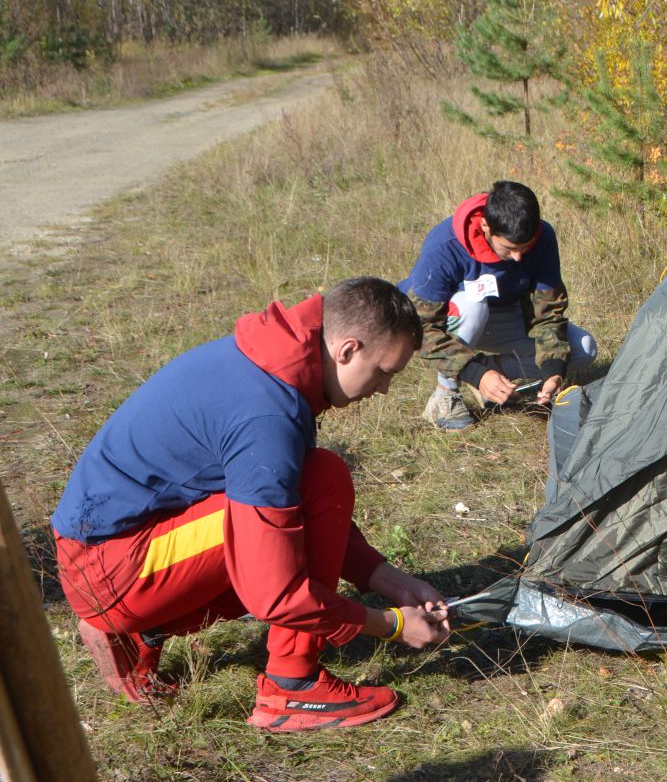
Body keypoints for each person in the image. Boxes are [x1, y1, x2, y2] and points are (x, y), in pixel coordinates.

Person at [52, 277, 452, 731]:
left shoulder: (276, 360)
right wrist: (390, 624)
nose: (383, 389)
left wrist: (390, 580)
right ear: (347, 350)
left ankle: (148, 626)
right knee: (310, 497)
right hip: (107, 569)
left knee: (312, 483)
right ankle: (292, 688)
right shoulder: (268, 413)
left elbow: (301, 510)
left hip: (119, 547)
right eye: (384, 371)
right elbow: (275, 592)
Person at [400, 180, 596, 431]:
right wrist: (474, 374)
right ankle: (445, 396)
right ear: (485, 227)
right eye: (510, 248)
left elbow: (548, 312)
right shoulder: (444, 244)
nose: (518, 257)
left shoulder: (543, 237)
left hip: (506, 316)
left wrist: (552, 371)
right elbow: (423, 329)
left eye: (525, 248)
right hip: (454, 320)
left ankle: (492, 371)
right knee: (473, 307)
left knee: (583, 349)